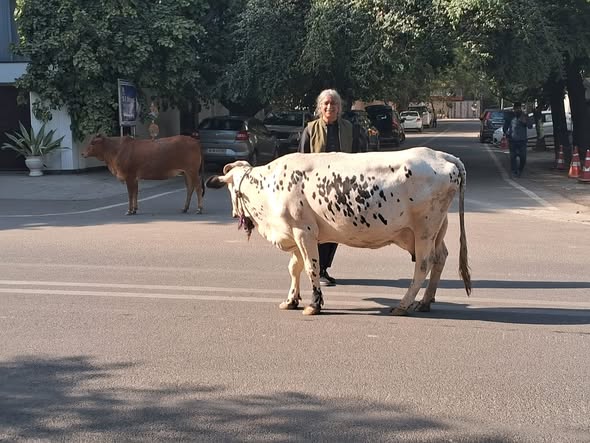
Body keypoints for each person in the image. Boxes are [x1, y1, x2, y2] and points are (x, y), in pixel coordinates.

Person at [299, 89, 359, 287]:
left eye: (334, 104)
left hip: (342, 189)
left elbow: (360, 156)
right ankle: (317, 268)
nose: (329, 107)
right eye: (326, 103)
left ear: (339, 108)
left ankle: (323, 268)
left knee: (336, 230)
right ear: (320, 107)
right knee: (316, 231)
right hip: (316, 190)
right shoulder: (310, 129)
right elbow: (301, 159)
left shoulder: (349, 128)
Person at [504, 102, 532, 177]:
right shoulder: (510, 116)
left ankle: (520, 170)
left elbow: (530, 126)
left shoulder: (525, 116)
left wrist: (525, 121)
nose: (517, 110)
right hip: (512, 140)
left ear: (521, 108)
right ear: (514, 109)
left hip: (522, 140)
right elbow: (505, 127)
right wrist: (506, 133)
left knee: (523, 157)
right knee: (513, 157)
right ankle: (514, 171)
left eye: (519, 108)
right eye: (516, 108)